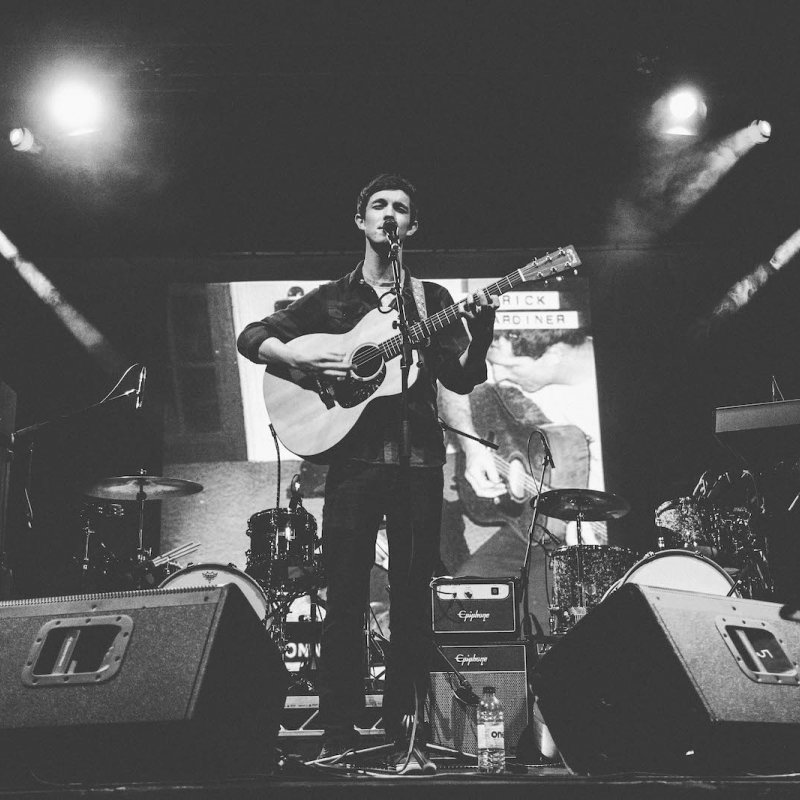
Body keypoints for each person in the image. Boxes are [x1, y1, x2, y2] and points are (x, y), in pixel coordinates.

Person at [237, 173, 497, 773]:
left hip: (420, 463)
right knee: (346, 596)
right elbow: (254, 336)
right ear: (361, 221)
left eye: (400, 208)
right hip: (352, 465)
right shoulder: (332, 299)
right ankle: (336, 735)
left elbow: (461, 378)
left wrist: (479, 332)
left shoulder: (430, 301)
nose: (389, 215)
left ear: (412, 226)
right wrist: (297, 354)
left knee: (412, 599)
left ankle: (405, 734)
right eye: (379, 205)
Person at [438, 326, 604, 635]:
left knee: (544, 624)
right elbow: (450, 385)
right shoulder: (521, 360)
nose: (499, 377)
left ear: (554, 354)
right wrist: (472, 448)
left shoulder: (625, 382)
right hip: (530, 527)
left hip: (599, 533)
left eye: (509, 367)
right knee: (458, 605)